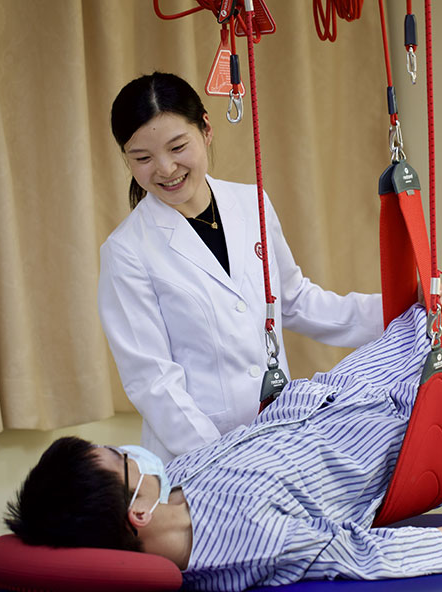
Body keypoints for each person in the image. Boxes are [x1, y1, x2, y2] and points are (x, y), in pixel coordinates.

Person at [8, 181, 442, 590]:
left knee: (420, 329)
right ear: (135, 515)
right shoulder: (243, 543)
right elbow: (360, 555)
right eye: (129, 465)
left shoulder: (172, 488)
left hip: (338, 402)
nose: (140, 458)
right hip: (412, 444)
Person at [99, 72, 384, 463]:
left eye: (177, 147)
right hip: (198, 456)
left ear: (206, 130)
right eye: (143, 158)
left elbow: (295, 302)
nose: (165, 169)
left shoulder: (251, 203)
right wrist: (221, 459)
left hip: (279, 437)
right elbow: (152, 381)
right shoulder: (127, 251)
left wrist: (396, 308)